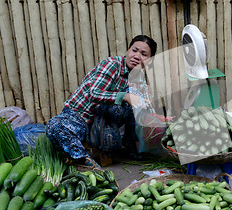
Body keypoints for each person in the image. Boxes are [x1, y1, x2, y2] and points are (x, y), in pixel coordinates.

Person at [47, 35, 161, 168]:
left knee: (136, 106)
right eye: (134, 50)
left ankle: (131, 146)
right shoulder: (112, 64)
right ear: (127, 51)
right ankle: (83, 160)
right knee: (54, 126)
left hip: (104, 120)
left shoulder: (138, 77)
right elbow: (94, 93)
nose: (136, 56)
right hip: (79, 117)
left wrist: (158, 118)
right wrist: (125, 96)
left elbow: (145, 103)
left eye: (144, 54)